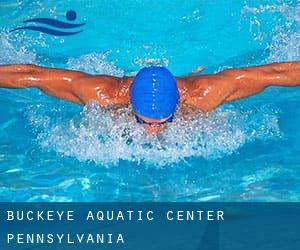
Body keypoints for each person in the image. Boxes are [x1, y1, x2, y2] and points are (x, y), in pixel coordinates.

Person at [0, 62, 299, 134]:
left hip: (191, 84)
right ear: (130, 105)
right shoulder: (101, 93)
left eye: (163, 122)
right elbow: (31, 75)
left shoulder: (204, 94)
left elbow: (273, 74)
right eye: (142, 121)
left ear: (177, 107)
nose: (153, 132)